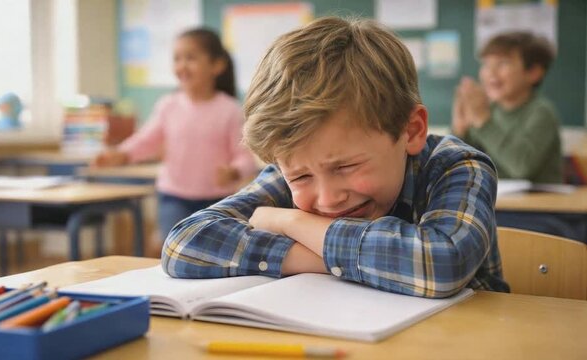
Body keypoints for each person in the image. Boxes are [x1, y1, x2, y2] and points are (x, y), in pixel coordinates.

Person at [161, 17, 509, 299]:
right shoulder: (300, 163)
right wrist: (331, 257)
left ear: (411, 131)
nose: (327, 198)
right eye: (299, 178)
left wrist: (293, 224)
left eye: (346, 166)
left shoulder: (458, 165)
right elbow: (183, 244)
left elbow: (442, 265)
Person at [93, 28, 256, 248]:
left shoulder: (229, 110)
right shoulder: (168, 105)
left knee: (215, 256)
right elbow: (146, 140)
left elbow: (244, 158)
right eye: (177, 59)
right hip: (173, 197)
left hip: (218, 201)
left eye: (191, 58)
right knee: (174, 252)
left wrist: (234, 171)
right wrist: (122, 154)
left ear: (217, 65)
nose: (182, 66)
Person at [452, 31, 561, 183]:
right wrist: (459, 129)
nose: (491, 72)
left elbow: (521, 167)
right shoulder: (489, 110)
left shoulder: (541, 112)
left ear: (534, 73)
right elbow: (457, 164)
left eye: (503, 63)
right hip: (497, 201)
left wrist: (483, 121)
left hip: (540, 204)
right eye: (486, 64)